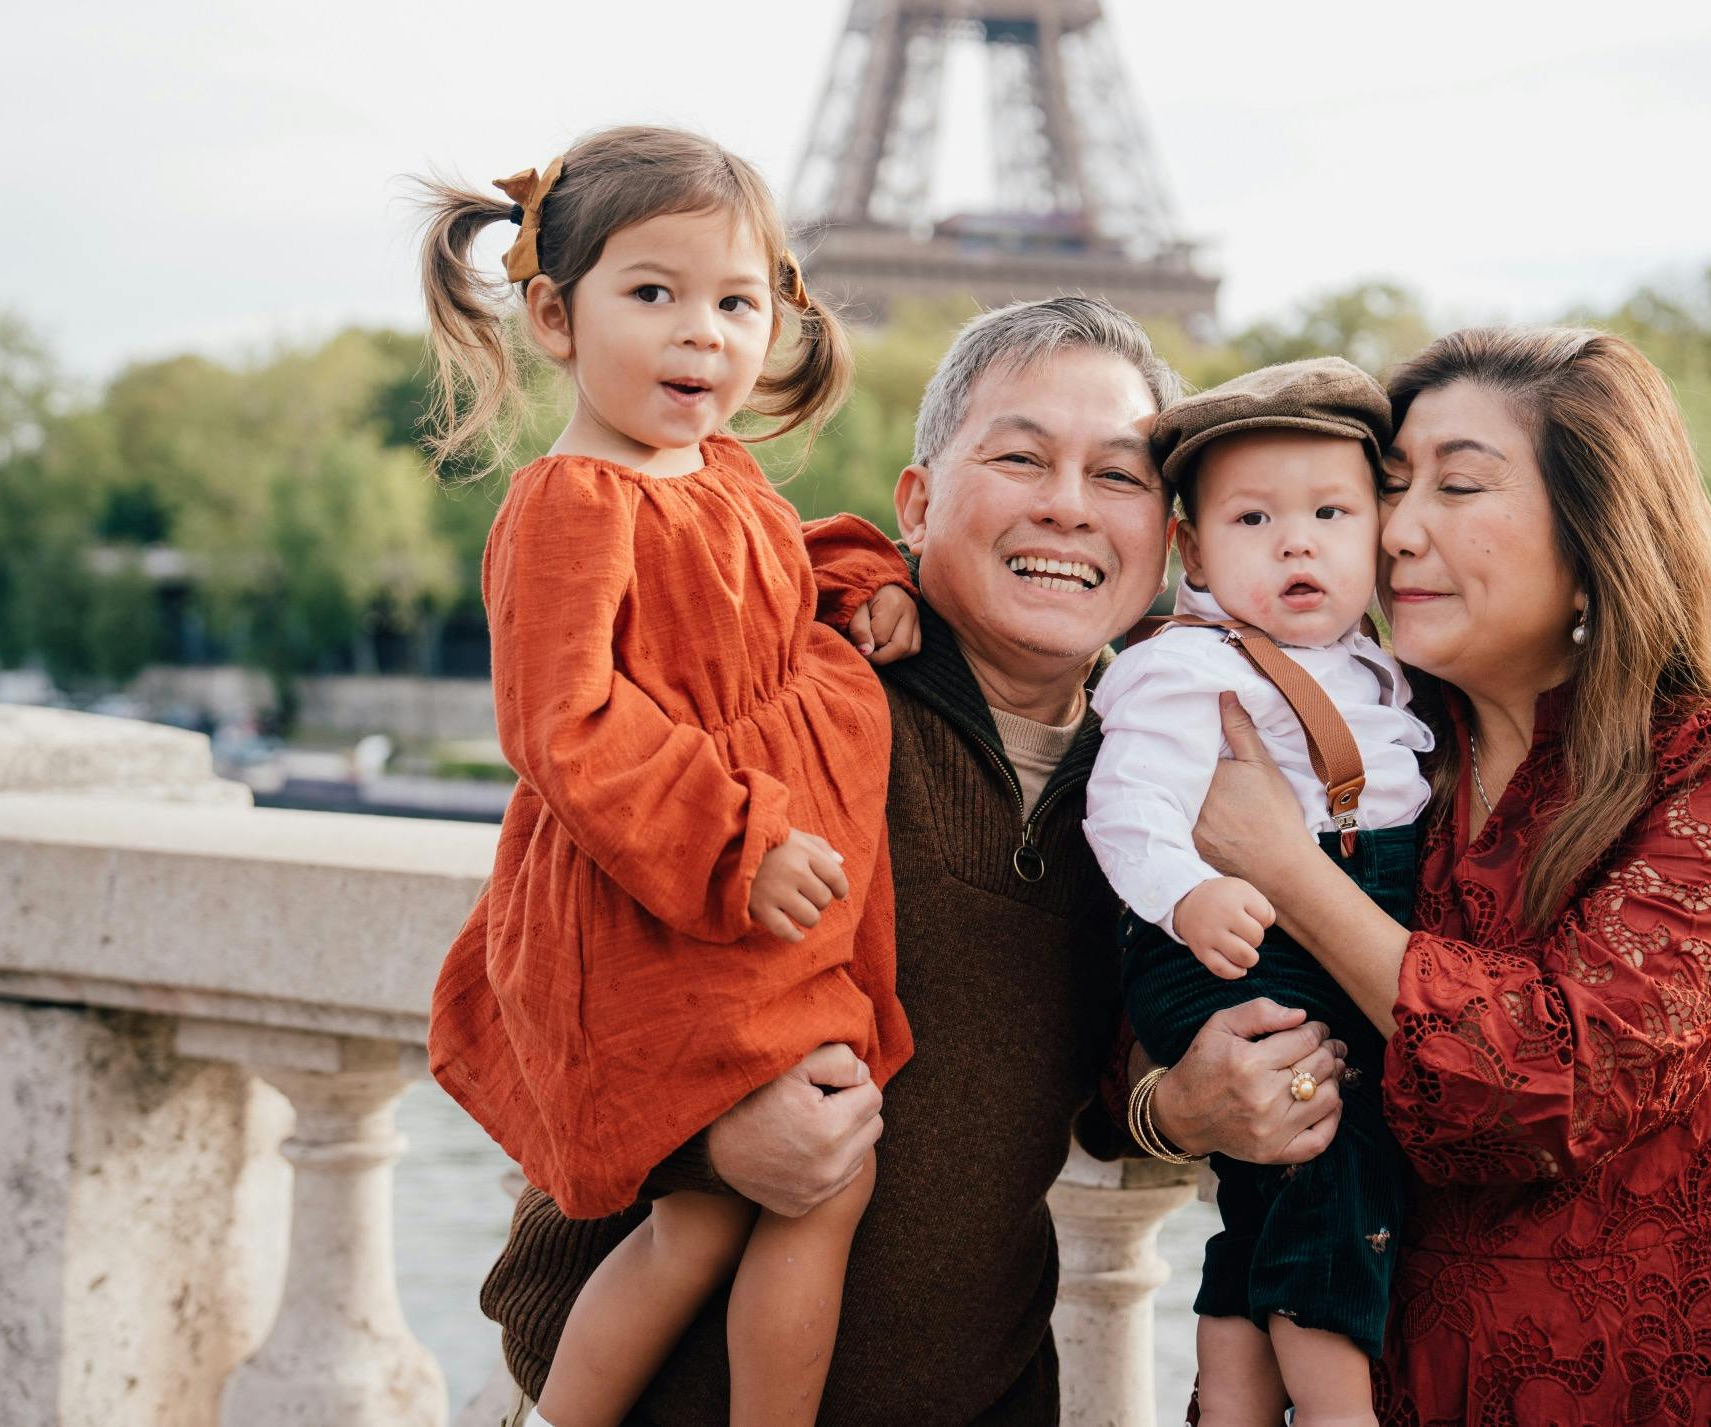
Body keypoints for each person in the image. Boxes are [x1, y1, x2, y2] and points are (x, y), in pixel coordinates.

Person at [476, 296, 1356, 1427]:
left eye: (1118, 475)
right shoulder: (772, 688)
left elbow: (1105, 1095)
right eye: (1020, 457)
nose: (1068, 505)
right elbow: (537, 973)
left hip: (979, 1395)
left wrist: (1179, 1108)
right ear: (918, 501)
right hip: (641, 1398)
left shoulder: (1174, 773)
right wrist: (708, 1141)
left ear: (1170, 539)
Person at [1192, 326, 1711, 1426]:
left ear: (1596, 534)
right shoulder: (1355, 734)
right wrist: (1174, 1102)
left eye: (1457, 486)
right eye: (1392, 487)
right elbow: (1149, 1014)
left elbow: (1553, 1085)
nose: (1397, 531)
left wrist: (1291, 872)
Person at [416, 125, 920, 1427]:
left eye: (737, 303)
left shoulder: (724, 471)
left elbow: (762, 575)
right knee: (757, 1200)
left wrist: (859, 582)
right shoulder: (569, 501)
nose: (703, 332)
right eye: (654, 292)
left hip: (741, 905)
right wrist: (738, 839)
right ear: (553, 317)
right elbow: (563, 722)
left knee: (772, 1195)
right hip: (669, 899)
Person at [1086, 359, 1431, 1427]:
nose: (1297, 543)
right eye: (1253, 518)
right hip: (1227, 947)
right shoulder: (1190, 666)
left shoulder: (1369, 661)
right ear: (1193, 552)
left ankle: (1232, 1401)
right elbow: (1126, 803)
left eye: (1331, 513)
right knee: (1332, 1162)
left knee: (1265, 1198)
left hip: (1294, 938)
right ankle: (1339, 1411)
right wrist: (1186, 892)